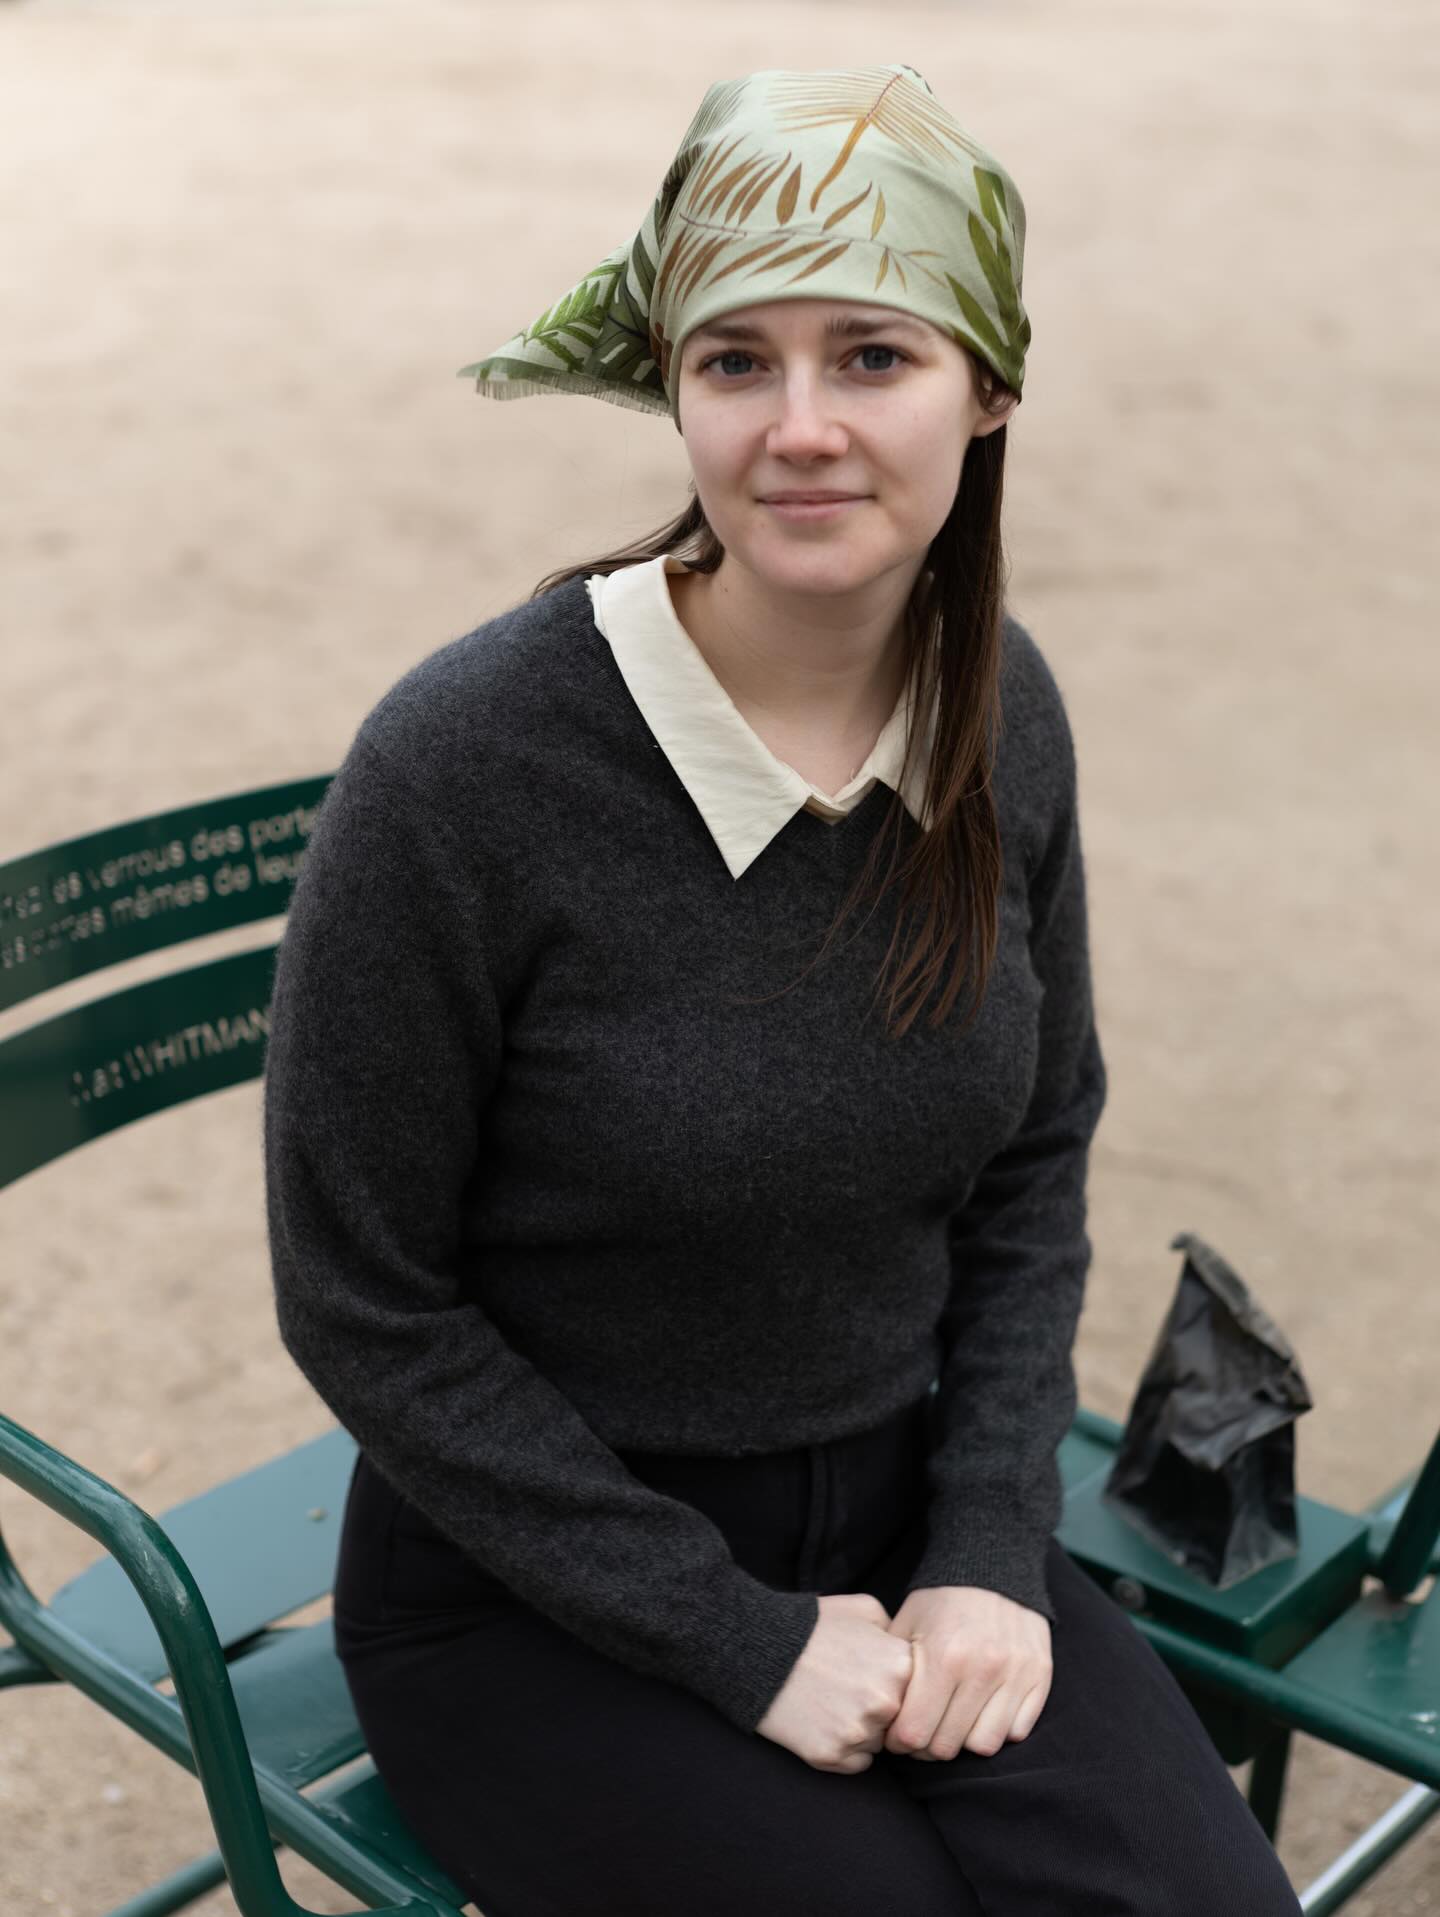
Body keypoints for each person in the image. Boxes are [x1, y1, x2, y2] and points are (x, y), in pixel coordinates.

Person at [262, 61, 1304, 1915]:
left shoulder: (1002, 711)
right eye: (737, 360)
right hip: (528, 1583)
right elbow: (366, 1297)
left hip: (911, 1509)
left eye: (873, 356)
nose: (800, 428)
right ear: (673, 387)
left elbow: (1035, 1153)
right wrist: (732, 1633)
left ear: (989, 387)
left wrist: (988, 1544)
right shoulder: (466, 767)